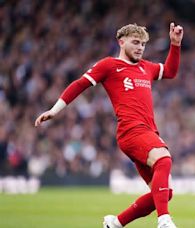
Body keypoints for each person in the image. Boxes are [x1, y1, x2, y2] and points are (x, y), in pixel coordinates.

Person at [35, 23, 183, 228]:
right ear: (121, 42)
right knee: (164, 160)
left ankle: (115, 223)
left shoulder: (145, 67)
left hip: (146, 132)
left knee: (165, 194)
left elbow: (170, 72)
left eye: (143, 44)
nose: (140, 47)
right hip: (131, 130)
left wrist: (175, 45)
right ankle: (164, 221)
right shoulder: (109, 65)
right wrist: (54, 110)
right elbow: (79, 84)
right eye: (135, 42)